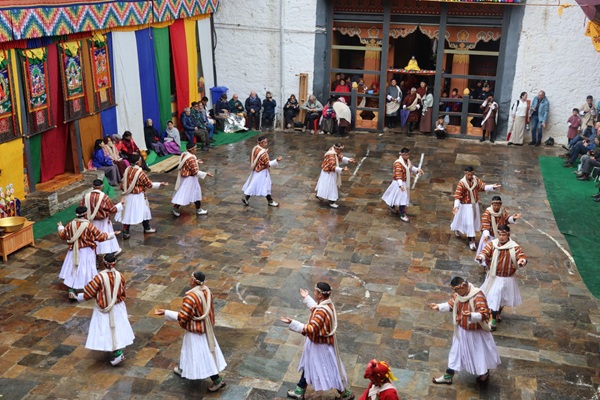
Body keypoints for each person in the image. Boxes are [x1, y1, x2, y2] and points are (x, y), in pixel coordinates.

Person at [154, 271, 227, 392]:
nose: (189, 279)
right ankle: (183, 370)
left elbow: (184, 316)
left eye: (191, 278)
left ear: (193, 281)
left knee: (203, 356)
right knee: (190, 351)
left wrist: (166, 312)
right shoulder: (207, 291)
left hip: (196, 331)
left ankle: (217, 381)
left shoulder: (190, 297)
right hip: (206, 328)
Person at [280, 283, 354, 400]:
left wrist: (292, 323)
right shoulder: (327, 304)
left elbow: (311, 328)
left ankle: (345, 393)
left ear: (320, 295)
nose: (313, 293)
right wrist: (306, 298)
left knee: (329, 370)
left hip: (320, 347)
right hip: (319, 344)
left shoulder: (322, 311)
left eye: (315, 291)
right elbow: (317, 309)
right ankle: (300, 390)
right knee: (310, 366)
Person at [428, 276, 500, 385]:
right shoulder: (458, 295)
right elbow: (451, 305)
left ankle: (484, 374)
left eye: (458, 290)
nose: (456, 293)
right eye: (455, 291)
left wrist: (472, 315)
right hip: (461, 331)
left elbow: (484, 314)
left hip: (476, 333)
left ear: (464, 286)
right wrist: (438, 306)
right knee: (455, 353)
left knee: (479, 354)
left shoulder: (478, 295)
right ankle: (448, 376)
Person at [72, 254, 134, 366]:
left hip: (103, 308)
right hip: (117, 306)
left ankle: (118, 353)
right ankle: (117, 351)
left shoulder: (99, 278)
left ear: (104, 264)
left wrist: (79, 297)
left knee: (106, 329)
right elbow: (123, 291)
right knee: (118, 328)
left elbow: (89, 292)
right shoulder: (120, 276)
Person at [58, 206, 117, 299]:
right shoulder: (89, 226)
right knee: (87, 270)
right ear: (85, 214)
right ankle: (90, 289)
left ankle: (71, 290)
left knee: (73, 270)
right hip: (87, 251)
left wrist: (60, 227)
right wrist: (112, 234)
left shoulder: (70, 225)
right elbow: (100, 236)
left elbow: (62, 235)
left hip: (73, 251)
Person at [476, 225, 527, 331]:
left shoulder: (514, 247)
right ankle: (493, 320)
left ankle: (498, 312)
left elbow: (521, 256)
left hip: (508, 278)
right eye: (499, 234)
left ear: (508, 235)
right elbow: (485, 252)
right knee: (495, 296)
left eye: (503, 235)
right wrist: (481, 257)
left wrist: (521, 261)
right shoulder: (493, 244)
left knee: (503, 298)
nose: (501, 237)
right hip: (495, 277)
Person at [114, 154, 168, 239]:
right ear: (137, 162)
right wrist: (159, 184)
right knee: (144, 211)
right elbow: (148, 184)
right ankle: (147, 228)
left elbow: (123, 182)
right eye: (140, 160)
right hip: (137, 196)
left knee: (127, 213)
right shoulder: (140, 172)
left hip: (128, 195)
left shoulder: (127, 169)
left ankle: (126, 232)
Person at [451, 166, 501, 251]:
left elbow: (482, 186)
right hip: (465, 206)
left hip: (474, 204)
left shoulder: (476, 180)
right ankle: (471, 241)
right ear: (465, 174)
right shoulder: (461, 183)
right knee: (469, 223)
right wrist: (456, 206)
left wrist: (492, 186)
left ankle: (458, 228)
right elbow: (458, 195)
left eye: (471, 174)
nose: (470, 176)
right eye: (468, 175)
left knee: (471, 221)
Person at [79, 179, 122, 256]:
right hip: (103, 221)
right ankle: (106, 253)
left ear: (93, 186)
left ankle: (94, 251)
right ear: (101, 187)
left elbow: (81, 207)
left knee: (93, 236)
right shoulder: (104, 197)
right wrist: (120, 204)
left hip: (91, 221)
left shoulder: (86, 196)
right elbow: (112, 209)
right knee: (105, 235)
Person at [172, 142, 214, 217]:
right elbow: (195, 172)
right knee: (186, 194)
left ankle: (198, 209)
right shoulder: (191, 158)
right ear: (191, 150)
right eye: (195, 148)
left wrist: (196, 161)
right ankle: (176, 208)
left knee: (193, 193)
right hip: (190, 179)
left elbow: (187, 163)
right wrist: (206, 173)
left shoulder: (184, 154)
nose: (196, 149)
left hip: (186, 178)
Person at [381, 148, 423, 222]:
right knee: (403, 199)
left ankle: (392, 206)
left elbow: (410, 167)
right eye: (406, 155)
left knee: (395, 196)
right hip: (399, 183)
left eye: (408, 154)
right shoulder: (398, 163)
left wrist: (417, 170)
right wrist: (401, 185)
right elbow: (398, 175)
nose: (408, 156)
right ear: (402, 155)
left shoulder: (407, 161)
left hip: (404, 182)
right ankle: (402, 215)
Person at [475, 196, 521, 264]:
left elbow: (507, 219)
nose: (496, 207)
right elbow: (485, 225)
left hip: (501, 236)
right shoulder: (487, 213)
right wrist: (487, 235)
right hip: (490, 236)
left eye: (498, 205)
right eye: (495, 205)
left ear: (500, 205)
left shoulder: (503, 211)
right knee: (487, 252)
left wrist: (513, 218)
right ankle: (486, 265)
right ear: (492, 204)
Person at [242, 136, 282, 207]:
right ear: (261, 143)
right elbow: (268, 164)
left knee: (255, 184)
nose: (266, 143)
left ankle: (247, 198)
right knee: (265, 185)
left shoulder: (255, 148)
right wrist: (276, 160)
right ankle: (270, 201)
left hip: (256, 170)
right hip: (262, 172)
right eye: (265, 142)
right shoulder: (263, 153)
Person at [315, 143, 355, 209]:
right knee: (331, 187)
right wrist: (342, 169)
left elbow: (340, 157)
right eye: (340, 149)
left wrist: (348, 159)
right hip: (329, 173)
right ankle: (332, 201)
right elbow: (332, 167)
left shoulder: (334, 151)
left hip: (327, 172)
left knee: (324, 185)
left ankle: (320, 195)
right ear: (337, 148)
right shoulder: (331, 155)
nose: (341, 151)